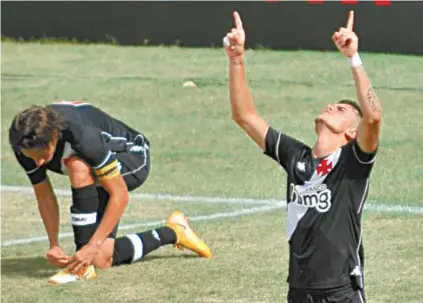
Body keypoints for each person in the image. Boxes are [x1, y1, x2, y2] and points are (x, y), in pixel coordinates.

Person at [223, 10, 381, 303]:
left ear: (351, 133)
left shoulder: (352, 164)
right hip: (299, 291)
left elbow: (373, 118)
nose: (332, 106)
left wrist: (353, 59)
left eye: (342, 110)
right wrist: (236, 59)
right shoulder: (297, 157)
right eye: (332, 104)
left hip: (341, 292)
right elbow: (244, 116)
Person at [9, 100, 213, 284]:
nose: (39, 163)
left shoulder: (83, 136)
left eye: (43, 155)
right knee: (102, 258)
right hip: (96, 171)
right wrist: (53, 244)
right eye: (32, 157)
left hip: (132, 157)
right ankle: (174, 231)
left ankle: (81, 268)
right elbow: (44, 194)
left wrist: (90, 245)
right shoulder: (24, 142)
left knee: (78, 166)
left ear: (54, 136)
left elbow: (120, 195)